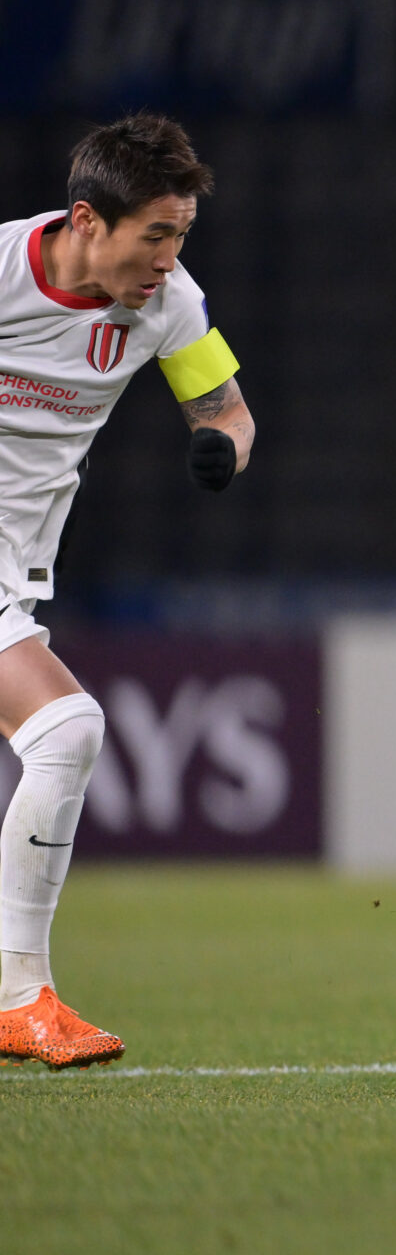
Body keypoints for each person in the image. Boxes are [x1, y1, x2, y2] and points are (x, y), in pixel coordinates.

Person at [0, 115, 255, 1065]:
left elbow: (230, 413)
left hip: (16, 565)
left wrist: (221, 450)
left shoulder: (169, 304)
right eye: (155, 234)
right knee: (66, 729)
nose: (169, 258)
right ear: (85, 220)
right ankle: (17, 996)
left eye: (181, 234)